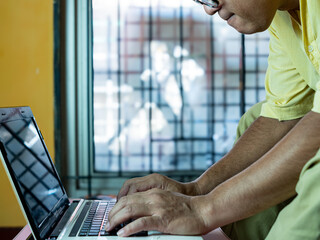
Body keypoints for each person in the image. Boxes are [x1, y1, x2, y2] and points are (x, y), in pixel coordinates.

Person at [105, 0, 320, 239]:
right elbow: (284, 116)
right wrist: (196, 191)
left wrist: (203, 211)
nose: (210, 9)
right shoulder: (284, 15)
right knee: (254, 119)